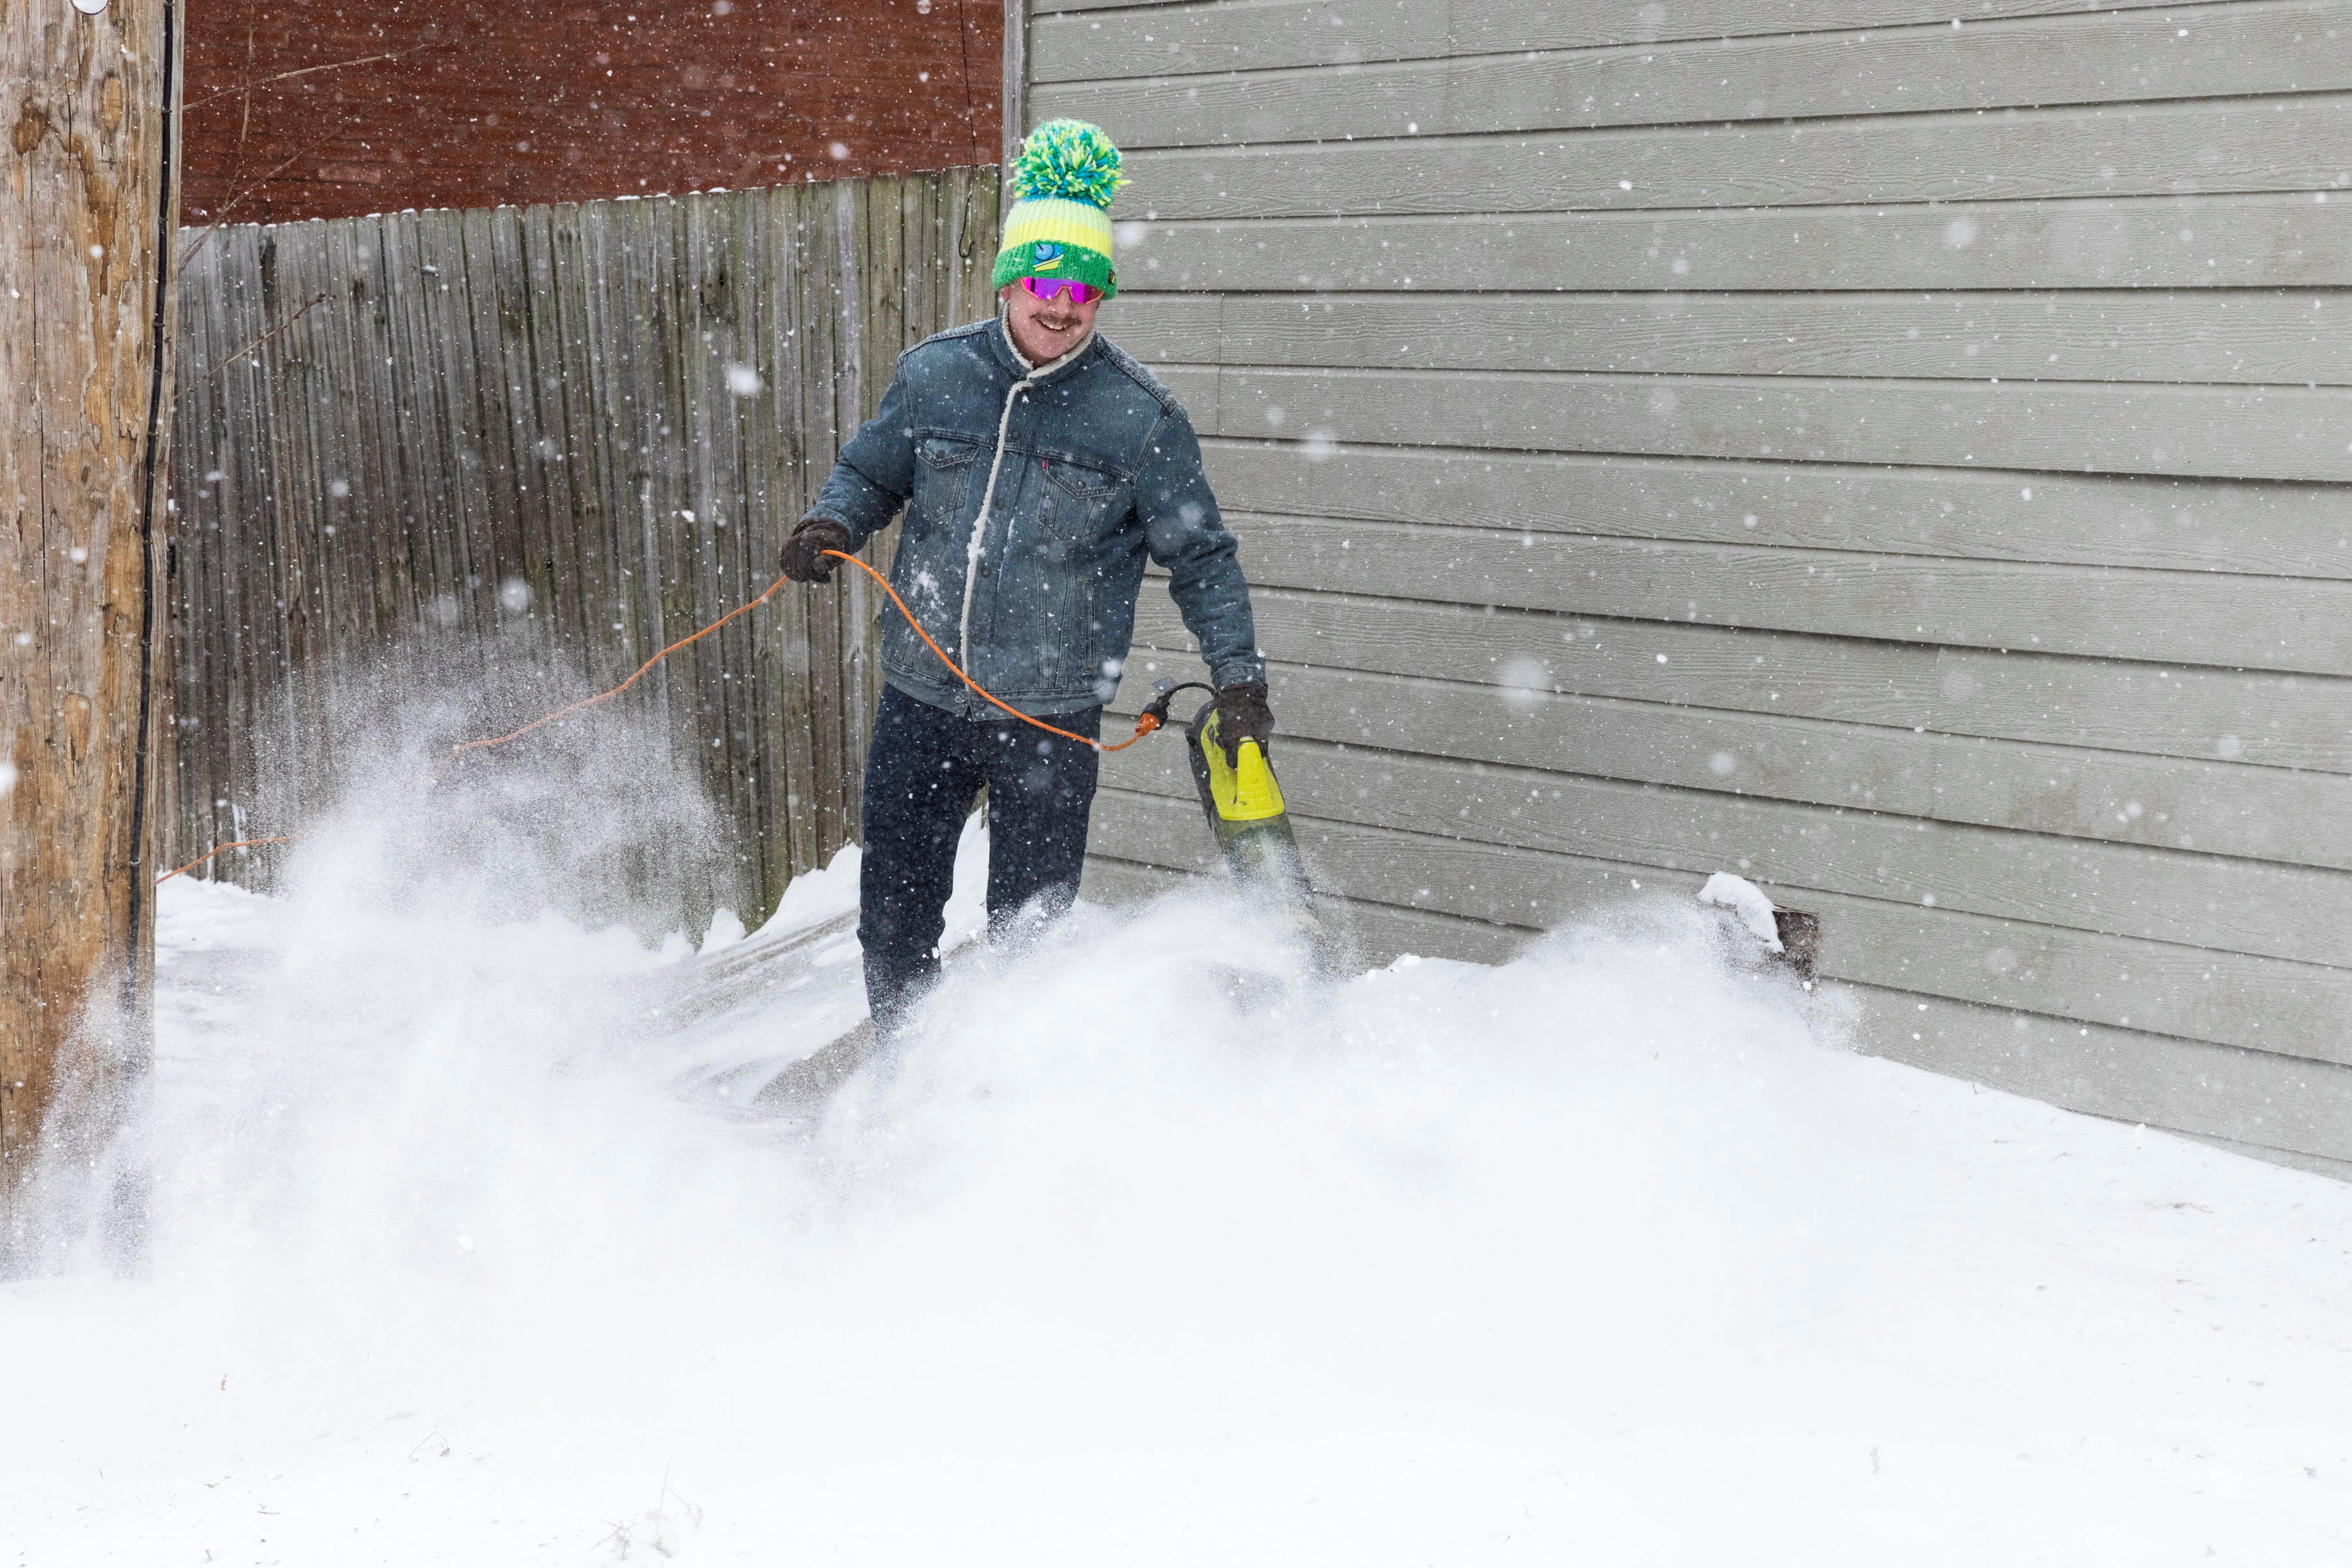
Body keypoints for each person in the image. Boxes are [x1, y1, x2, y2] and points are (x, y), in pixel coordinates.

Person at [777, 120, 1271, 1037]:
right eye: (1045, 282)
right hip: (922, 702)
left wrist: (1239, 677)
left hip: (1049, 718)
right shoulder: (935, 377)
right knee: (893, 920)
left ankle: (1006, 1124)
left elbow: (1203, 556)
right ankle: (903, 1078)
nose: (1062, 306)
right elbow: (873, 472)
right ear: (1012, 281)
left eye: (1084, 288)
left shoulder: (1140, 419)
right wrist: (833, 519)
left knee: (1031, 945)